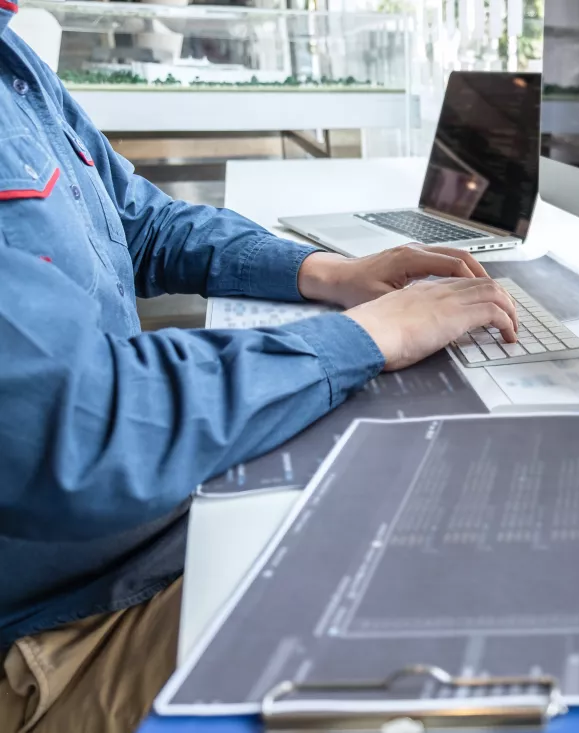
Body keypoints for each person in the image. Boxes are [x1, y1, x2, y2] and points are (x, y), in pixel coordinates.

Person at [0, 4, 517, 731]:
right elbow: (85, 431)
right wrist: (366, 338)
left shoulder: (13, 62)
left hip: (156, 528)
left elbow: (140, 222)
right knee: (450, 612)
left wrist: (329, 272)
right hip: (62, 633)